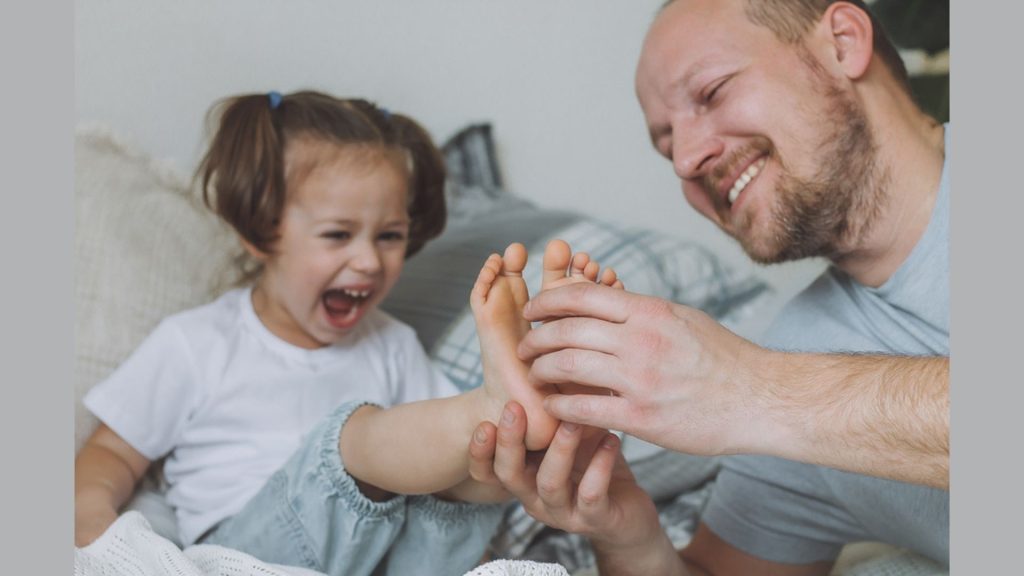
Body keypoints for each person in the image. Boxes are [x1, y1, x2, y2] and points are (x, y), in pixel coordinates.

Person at [468, 0, 949, 573]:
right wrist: (628, 534)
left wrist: (748, 389)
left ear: (842, 43)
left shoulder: (767, 383)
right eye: (668, 145)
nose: (687, 162)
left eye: (713, 91)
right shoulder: (796, 352)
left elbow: (757, 392)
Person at [73, 89, 621, 575]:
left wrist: (500, 464)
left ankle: (518, 421)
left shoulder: (392, 344)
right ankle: (501, 408)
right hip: (248, 555)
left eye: (389, 235)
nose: (368, 261)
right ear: (262, 234)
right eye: (338, 235)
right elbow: (112, 454)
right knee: (355, 439)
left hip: (389, 561)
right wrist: (96, 522)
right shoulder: (197, 343)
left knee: (464, 482)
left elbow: (450, 480)